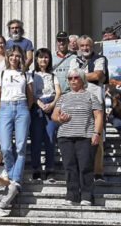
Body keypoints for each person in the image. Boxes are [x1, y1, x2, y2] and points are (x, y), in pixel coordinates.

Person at [51, 68, 103, 206]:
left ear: (82, 79)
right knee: (70, 167)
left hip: (85, 136)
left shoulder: (91, 96)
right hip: (65, 137)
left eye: (76, 77)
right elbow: (54, 116)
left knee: (85, 166)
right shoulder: (63, 97)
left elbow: (98, 116)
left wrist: (96, 133)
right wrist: (60, 118)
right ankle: (72, 195)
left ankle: (86, 196)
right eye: (70, 78)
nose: (73, 80)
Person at [0, 45, 33, 186]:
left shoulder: (26, 74)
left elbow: (30, 96)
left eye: (17, 56)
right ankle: (10, 173)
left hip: (21, 107)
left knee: (21, 146)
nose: (14, 58)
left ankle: (15, 178)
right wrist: (1, 111)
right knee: (5, 147)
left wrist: (24, 110)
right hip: (5, 107)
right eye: (12, 55)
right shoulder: (1, 74)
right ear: (8, 57)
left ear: (21, 58)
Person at [69, 35, 107, 182]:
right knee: (80, 137)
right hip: (78, 102)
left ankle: (98, 173)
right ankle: (82, 172)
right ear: (78, 47)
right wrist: (84, 76)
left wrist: (80, 75)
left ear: (92, 46)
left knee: (98, 137)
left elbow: (98, 74)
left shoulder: (100, 59)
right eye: (82, 45)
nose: (85, 48)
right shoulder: (74, 60)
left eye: (88, 45)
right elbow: (72, 78)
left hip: (96, 102)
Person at [30, 48, 61, 180]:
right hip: (36, 105)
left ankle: (50, 169)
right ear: (36, 59)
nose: (44, 60)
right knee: (36, 139)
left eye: (46, 57)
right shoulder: (32, 75)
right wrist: (40, 103)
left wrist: (52, 104)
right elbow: (30, 93)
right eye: (41, 57)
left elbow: (58, 92)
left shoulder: (53, 75)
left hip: (51, 104)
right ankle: (36, 168)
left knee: (50, 138)